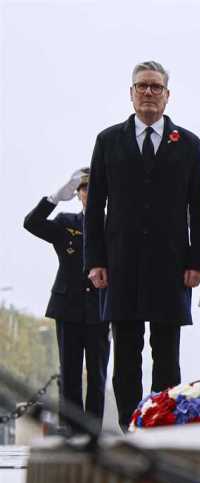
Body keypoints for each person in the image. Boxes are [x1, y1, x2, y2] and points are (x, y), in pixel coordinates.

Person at [84, 61, 200, 432]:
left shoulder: (188, 144)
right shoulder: (108, 140)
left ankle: (162, 424)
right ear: (131, 93)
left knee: (166, 352)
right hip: (120, 263)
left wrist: (198, 261)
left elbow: (198, 207)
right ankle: (129, 426)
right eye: (142, 86)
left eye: (156, 87)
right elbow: (95, 208)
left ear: (168, 95)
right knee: (125, 352)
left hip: (171, 264)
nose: (149, 93)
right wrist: (95, 261)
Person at [23, 168, 109, 435]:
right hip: (68, 305)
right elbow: (31, 223)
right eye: (84, 189)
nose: (89, 194)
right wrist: (54, 197)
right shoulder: (66, 221)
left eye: (94, 190)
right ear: (78, 194)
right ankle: (71, 429)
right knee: (69, 373)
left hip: (100, 307)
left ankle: (93, 430)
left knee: (97, 375)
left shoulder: (114, 225)